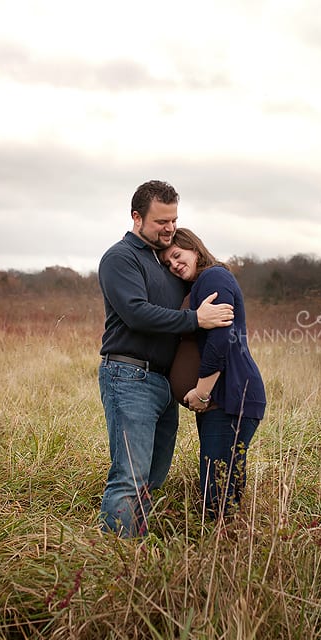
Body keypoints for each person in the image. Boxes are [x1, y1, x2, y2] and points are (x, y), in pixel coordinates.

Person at [98, 181, 234, 537]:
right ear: (136, 217)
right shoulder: (120, 258)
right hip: (129, 376)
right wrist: (195, 320)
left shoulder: (164, 262)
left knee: (155, 476)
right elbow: (136, 313)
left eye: (173, 220)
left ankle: (136, 551)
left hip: (162, 383)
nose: (170, 228)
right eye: (161, 221)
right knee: (130, 475)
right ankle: (114, 561)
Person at [160, 228, 266, 519]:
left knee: (217, 493)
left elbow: (221, 338)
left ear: (194, 248)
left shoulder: (213, 277)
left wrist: (202, 392)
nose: (175, 265)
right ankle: (223, 548)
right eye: (169, 263)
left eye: (178, 256)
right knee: (219, 485)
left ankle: (223, 552)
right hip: (217, 403)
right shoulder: (199, 285)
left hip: (228, 398)